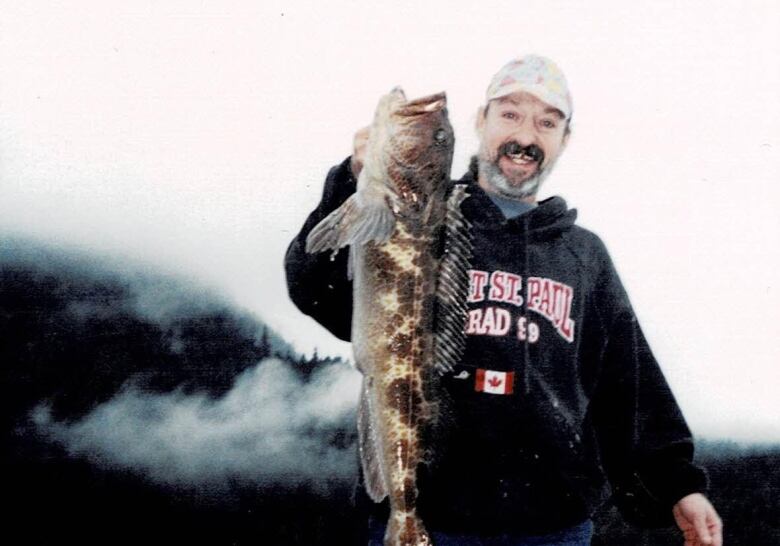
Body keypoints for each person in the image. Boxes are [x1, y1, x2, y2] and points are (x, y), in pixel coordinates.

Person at [285, 55, 723, 546]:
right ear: (480, 122)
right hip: (431, 518)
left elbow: (627, 381)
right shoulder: (414, 224)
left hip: (553, 527)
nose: (527, 136)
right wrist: (351, 179)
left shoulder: (584, 255)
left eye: (546, 122)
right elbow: (313, 289)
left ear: (564, 140)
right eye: (510, 114)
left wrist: (679, 486)